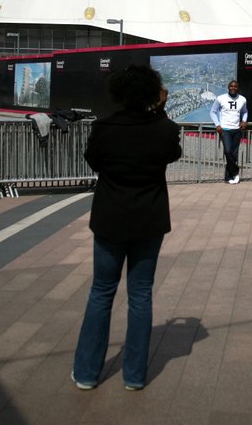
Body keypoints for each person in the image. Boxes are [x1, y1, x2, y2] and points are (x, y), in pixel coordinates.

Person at [72, 65, 182, 391]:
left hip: (109, 220)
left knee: (101, 292)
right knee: (141, 295)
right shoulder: (163, 129)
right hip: (149, 222)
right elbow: (173, 152)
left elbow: (94, 160)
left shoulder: (105, 128)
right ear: (153, 93)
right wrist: (160, 111)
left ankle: (88, 373)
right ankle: (134, 376)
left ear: (118, 92)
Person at [210, 79, 248, 184]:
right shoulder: (220, 98)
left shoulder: (242, 99)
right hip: (225, 130)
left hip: (237, 130)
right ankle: (236, 171)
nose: (233, 88)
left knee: (234, 154)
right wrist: (217, 124)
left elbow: (245, 111)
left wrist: (244, 121)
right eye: (231, 86)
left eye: (235, 86)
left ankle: (229, 177)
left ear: (238, 88)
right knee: (227, 151)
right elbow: (213, 112)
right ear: (228, 87)